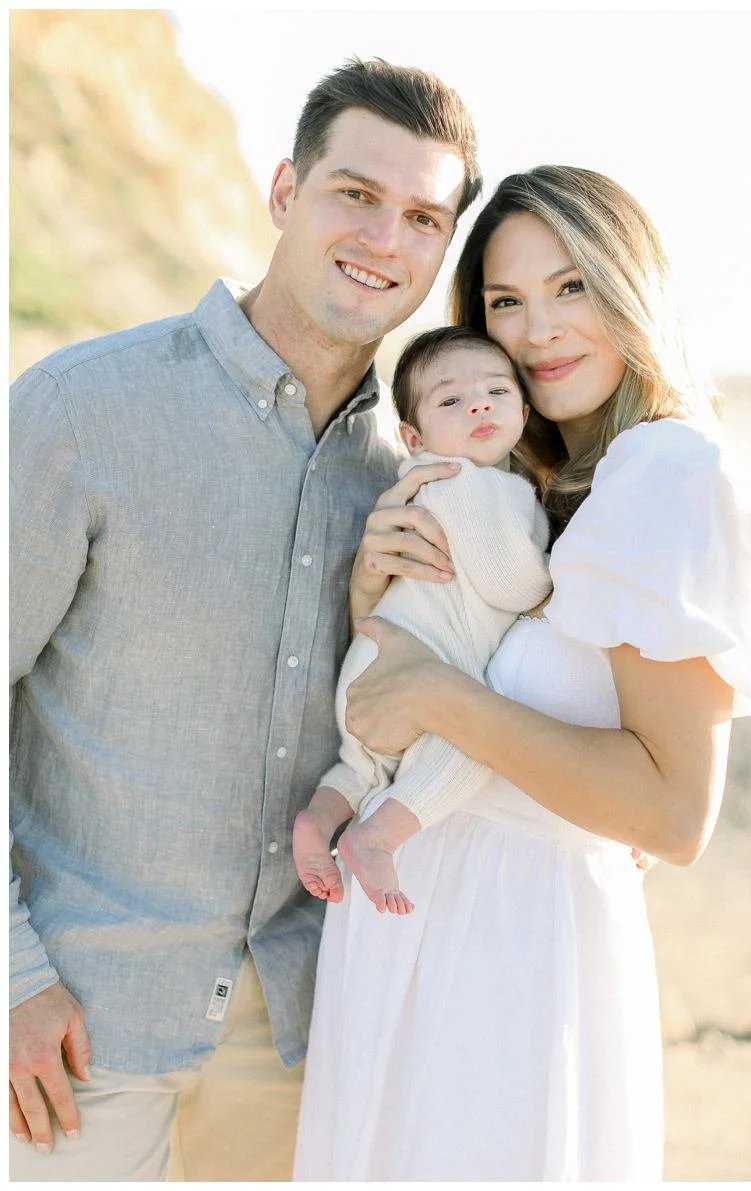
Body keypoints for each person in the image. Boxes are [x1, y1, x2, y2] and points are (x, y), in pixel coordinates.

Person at [9, 58, 482, 1181]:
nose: (382, 237)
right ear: (282, 192)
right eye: (353, 194)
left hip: (302, 1047)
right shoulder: (84, 409)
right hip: (74, 1035)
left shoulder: (418, 482)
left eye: (421, 217)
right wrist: (10, 977)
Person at [292, 166, 751, 1181]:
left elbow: (670, 815)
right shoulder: (548, 485)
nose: (536, 332)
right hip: (427, 946)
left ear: (629, 285)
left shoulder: (668, 476)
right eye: (505, 303)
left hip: (512, 969)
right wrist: (378, 597)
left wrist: (437, 695)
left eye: (570, 288)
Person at [292, 326, 551, 914]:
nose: (479, 404)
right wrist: (559, 582)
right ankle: (374, 836)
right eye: (452, 400)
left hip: (380, 662)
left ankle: (320, 820)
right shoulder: (463, 481)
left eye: (496, 391)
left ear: (524, 409)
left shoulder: (475, 483)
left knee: (360, 764)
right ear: (413, 436)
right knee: (475, 747)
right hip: (416, 667)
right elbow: (509, 582)